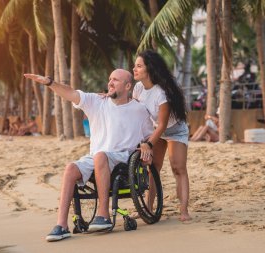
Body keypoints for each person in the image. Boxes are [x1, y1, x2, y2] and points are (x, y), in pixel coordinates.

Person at [24, 69, 153, 242]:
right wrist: (49, 82)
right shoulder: (96, 101)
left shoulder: (139, 110)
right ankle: (61, 225)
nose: (110, 82)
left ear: (128, 86)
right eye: (109, 79)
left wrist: (147, 146)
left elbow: (149, 136)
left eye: (115, 80)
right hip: (96, 157)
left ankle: (104, 215)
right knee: (71, 168)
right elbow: (70, 93)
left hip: (123, 157)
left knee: (100, 156)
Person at [132, 49, 191, 221]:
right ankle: (148, 208)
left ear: (149, 69)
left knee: (177, 168)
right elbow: (136, 114)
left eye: (139, 66)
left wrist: (149, 144)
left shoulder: (161, 93)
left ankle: (184, 210)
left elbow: (164, 124)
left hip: (175, 130)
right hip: (155, 130)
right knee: (153, 169)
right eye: (134, 66)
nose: (134, 69)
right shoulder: (138, 88)